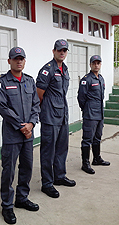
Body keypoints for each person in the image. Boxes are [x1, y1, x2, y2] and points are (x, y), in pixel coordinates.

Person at [0, 47, 40, 224]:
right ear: (9, 61)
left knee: (27, 167)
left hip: (28, 134)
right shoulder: (2, 82)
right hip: (12, 135)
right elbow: (2, 107)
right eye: (15, 59)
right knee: (9, 171)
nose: (19, 61)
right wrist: (22, 125)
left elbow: (36, 104)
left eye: (21, 59)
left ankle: (22, 198)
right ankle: (7, 206)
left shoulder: (29, 81)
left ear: (24, 61)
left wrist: (31, 124)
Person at [36, 39, 76, 199]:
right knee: (48, 151)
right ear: (53, 51)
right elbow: (39, 94)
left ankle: (59, 176)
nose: (62, 52)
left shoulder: (64, 69)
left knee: (62, 148)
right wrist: (47, 111)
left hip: (63, 115)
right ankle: (47, 183)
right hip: (50, 117)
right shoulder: (47, 70)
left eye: (65, 50)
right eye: (59, 50)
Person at [77, 55, 110, 175]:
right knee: (87, 140)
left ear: (100, 64)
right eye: (94, 63)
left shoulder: (101, 78)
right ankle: (85, 163)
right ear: (90, 65)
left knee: (97, 137)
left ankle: (97, 158)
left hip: (100, 114)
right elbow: (81, 97)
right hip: (90, 115)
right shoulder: (86, 79)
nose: (96, 65)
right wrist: (86, 110)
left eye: (98, 63)